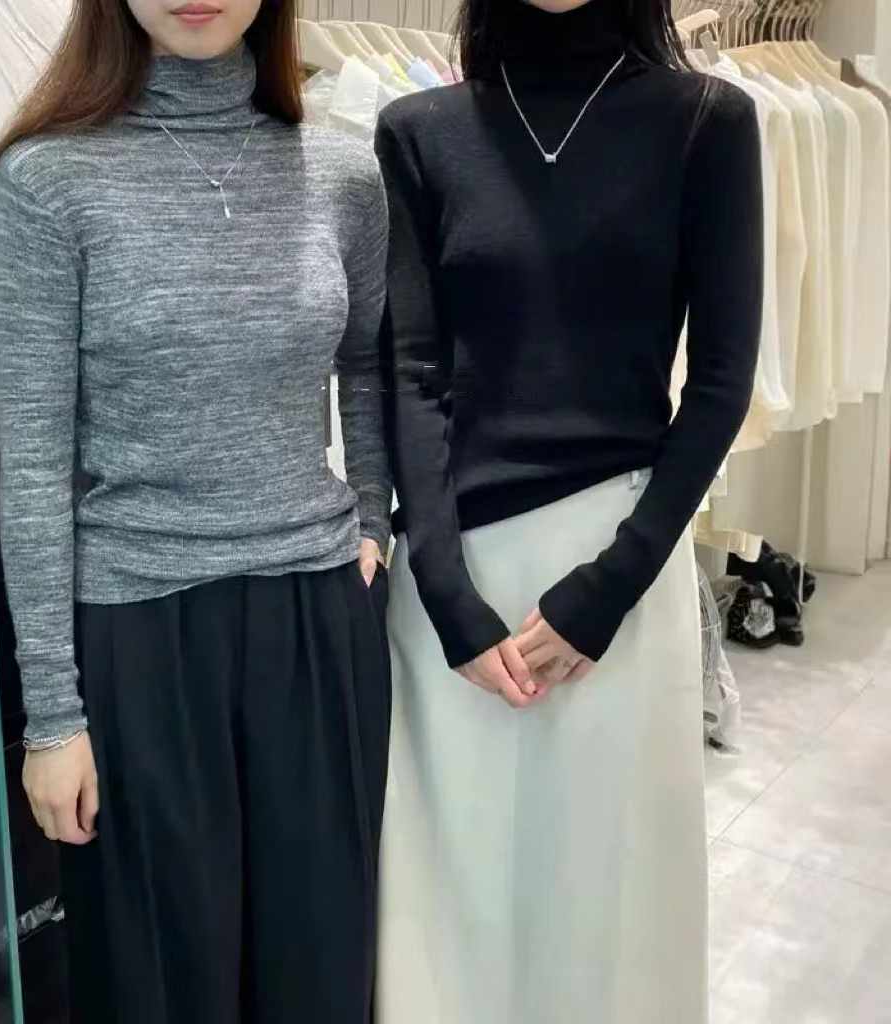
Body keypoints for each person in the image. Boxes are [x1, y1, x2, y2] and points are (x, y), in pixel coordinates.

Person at [0, 0, 393, 1019]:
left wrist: (373, 518)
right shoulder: (49, 179)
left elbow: (370, 364)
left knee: (318, 971)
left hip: (314, 619)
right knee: (159, 983)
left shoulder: (343, 170)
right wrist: (51, 716)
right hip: (139, 632)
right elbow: (35, 464)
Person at [374, 0, 762, 1021]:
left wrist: (610, 587)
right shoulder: (418, 132)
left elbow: (721, 382)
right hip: (453, 583)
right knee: (447, 911)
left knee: (610, 915)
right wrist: (445, 591)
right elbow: (410, 369)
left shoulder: (705, 121)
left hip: (618, 573)